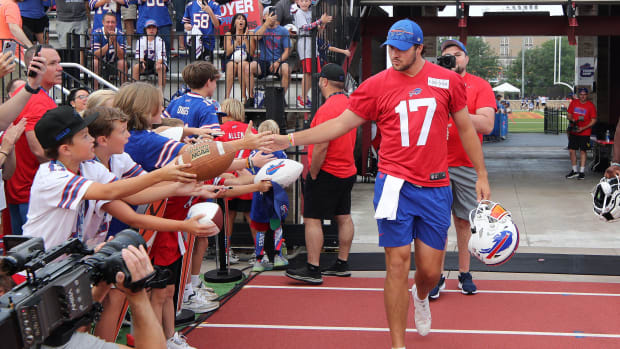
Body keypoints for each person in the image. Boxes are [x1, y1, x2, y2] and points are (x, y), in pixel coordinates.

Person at [268, 19, 490, 347]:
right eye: (391, 48)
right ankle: (397, 343)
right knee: (396, 264)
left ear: (419, 48)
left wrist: (481, 174)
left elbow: (467, 129)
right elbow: (339, 124)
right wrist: (289, 139)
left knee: (429, 271)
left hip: (435, 186)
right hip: (394, 184)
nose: (395, 54)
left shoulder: (447, 81)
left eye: (402, 48)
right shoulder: (375, 85)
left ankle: (422, 295)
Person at [427, 39, 496, 300]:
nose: (453, 59)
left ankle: (465, 272)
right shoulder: (431, 83)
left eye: (458, 55)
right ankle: (437, 274)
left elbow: (487, 124)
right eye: (447, 55)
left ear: (466, 58)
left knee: (464, 222)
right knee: (436, 223)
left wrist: (457, 112)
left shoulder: (479, 85)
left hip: (466, 164)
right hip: (435, 163)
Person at [285, 64, 357, 283]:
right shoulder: (350, 104)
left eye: (319, 80)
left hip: (327, 170)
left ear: (324, 81)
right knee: (343, 216)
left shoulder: (327, 109)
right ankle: (342, 263)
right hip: (347, 169)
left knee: (312, 220)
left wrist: (313, 172)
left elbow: (321, 146)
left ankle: (313, 268)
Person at [40, 244, 167, 349]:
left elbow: (74, 330)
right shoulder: (57, 342)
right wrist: (137, 296)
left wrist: (102, 283)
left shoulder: (47, 336)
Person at [5, 44, 58, 235]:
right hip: (31, 193)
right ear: (34, 67)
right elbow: (37, 150)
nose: (60, 68)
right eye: (52, 63)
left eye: (59, 62)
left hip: (21, 191)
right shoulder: (36, 100)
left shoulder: (31, 96)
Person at [248, 119, 289, 272]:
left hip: (259, 194)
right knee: (276, 225)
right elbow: (287, 172)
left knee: (260, 228)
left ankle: (259, 259)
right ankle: (278, 256)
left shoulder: (255, 153)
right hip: (275, 194)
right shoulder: (280, 152)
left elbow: (251, 172)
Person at [246, 6, 291, 108]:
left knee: (286, 69)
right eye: (269, 14)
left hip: (278, 61)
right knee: (248, 68)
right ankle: (251, 98)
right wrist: (266, 24)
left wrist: (278, 61)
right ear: (264, 16)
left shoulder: (283, 31)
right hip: (263, 61)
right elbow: (257, 37)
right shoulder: (260, 28)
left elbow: (287, 51)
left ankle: (280, 98)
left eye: (274, 14)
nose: (272, 16)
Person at [294, 0, 332, 108]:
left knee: (312, 73)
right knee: (307, 73)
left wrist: (323, 23)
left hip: (313, 47)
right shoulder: (299, 13)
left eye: (306, 0)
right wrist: (320, 20)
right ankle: (302, 98)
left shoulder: (311, 12)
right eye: (302, 0)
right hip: (305, 46)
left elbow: (317, 31)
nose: (305, 3)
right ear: (298, 2)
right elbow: (305, 27)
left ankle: (304, 98)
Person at [565, 87, 597, 180]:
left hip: (585, 132)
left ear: (587, 95)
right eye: (581, 94)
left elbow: (593, 120)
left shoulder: (590, 105)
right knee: (571, 150)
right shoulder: (574, 103)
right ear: (579, 95)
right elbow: (569, 115)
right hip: (574, 130)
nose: (583, 96)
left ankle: (581, 172)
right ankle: (574, 170)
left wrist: (583, 127)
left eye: (584, 95)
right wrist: (572, 119)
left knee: (583, 151)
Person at [92, 12, 127, 88]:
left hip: (115, 63)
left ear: (116, 23)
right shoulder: (97, 33)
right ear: (103, 22)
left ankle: (123, 91)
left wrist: (114, 42)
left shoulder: (121, 34)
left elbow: (121, 56)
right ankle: (95, 90)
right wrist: (109, 43)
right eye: (108, 22)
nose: (110, 25)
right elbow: (95, 55)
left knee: (122, 63)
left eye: (112, 22)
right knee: (95, 62)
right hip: (101, 63)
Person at [132, 19, 167, 90]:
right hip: (145, 62)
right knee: (136, 67)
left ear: (157, 29)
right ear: (145, 29)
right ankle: (134, 91)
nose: (151, 30)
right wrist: (142, 62)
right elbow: (139, 57)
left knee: (161, 67)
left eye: (153, 27)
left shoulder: (160, 41)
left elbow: (161, 58)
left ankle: (161, 92)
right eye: (149, 28)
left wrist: (158, 64)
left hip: (156, 62)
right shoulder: (141, 40)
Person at [224, 13, 251, 102]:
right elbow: (227, 52)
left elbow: (252, 52)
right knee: (232, 66)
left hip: (245, 59)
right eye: (239, 18)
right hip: (231, 59)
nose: (241, 20)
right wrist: (236, 42)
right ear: (234, 22)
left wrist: (245, 39)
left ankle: (243, 97)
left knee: (242, 65)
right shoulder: (228, 34)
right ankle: (227, 97)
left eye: (243, 19)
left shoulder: (249, 34)